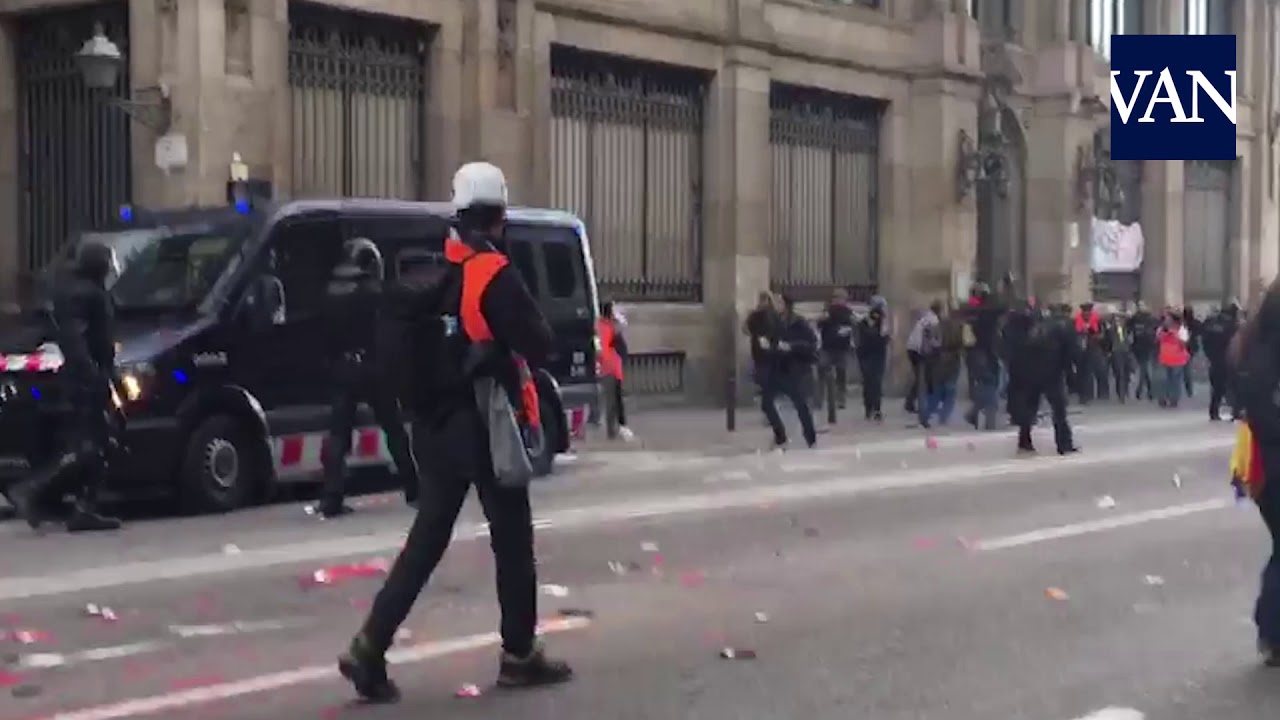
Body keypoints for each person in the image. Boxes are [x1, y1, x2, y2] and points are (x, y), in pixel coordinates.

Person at [338, 162, 572, 703]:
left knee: (426, 540)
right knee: (513, 537)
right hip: (483, 425)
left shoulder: (432, 268)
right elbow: (539, 344)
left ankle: (369, 645)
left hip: (433, 425)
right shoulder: (492, 273)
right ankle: (518, 654)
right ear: (500, 217)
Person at [8, 242, 123, 532]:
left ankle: (81, 506)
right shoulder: (90, 296)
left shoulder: (76, 293)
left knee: (97, 444)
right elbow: (79, 342)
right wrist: (95, 375)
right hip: (86, 382)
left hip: (84, 379)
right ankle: (35, 491)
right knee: (92, 445)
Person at [317, 238, 421, 519]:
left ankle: (332, 497)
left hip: (343, 367)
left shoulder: (331, 292)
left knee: (338, 434)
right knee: (394, 429)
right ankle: (413, 488)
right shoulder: (374, 293)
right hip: (372, 369)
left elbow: (324, 338)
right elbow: (386, 334)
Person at [1228, 279, 1280, 664]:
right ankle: (1272, 633)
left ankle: (1271, 633)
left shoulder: (1251, 340)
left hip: (1261, 463)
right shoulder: (1269, 349)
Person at [1007, 300, 1078, 455]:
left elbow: (1015, 353)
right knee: (1059, 409)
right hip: (1052, 373)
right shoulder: (1061, 327)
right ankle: (1063, 443)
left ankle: (1024, 440)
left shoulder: (1028, 328)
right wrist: (1070, 375)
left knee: (1030, 407)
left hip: (1030, 374)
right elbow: (1069, 353)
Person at [760, 294, 818, 450]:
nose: (776, 304)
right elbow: (774, 342)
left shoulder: (799, 323)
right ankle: (780, 436)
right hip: (778, 368)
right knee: (766, 404)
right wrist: (768, 346)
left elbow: (811, 344)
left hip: (795, 370)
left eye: (779, 302)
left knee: (801, 406)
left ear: (786, 304)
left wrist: (791, 346)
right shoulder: (775, 322)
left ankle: (811, 438)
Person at [963, 281, 1005, 431]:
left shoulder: (970, 310)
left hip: (975, 353)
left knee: (985, 385)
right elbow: (1003, 307)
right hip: (985, 353)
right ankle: (988, 421)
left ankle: (975, 414)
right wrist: (1005, 286)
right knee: (990, 385)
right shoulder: (987, 312)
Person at [922, 304, 965, 426]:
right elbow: (963, 344)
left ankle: (927, 415)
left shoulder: (936, 327)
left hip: (938, 361)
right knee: (950, 391)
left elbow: (929, 346)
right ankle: (944, 416)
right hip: (953, 361)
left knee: (937, 390)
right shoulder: (959, 327)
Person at [597, 300, 633, 441]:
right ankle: (615, 429)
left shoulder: (604, 325)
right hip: (610, 367)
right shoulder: (607, 327)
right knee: (614, 399)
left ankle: (613, 429)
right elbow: (622, 325)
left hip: (611, 366)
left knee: (613, 399)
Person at [1200, 301, 1241, 420]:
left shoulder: (1211, 323)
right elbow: (1236, 343)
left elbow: (1204, 340)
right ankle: (1236, 412)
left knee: (1217, 388)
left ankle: (1214, 411)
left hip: (1215, 359)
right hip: (1229, 359)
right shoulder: (1233, 325)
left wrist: (1210, 356)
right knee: (1233, 386)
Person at [817, 288, 855, 410]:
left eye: (841, 298)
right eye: (836, 298)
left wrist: (848, 330)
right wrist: (823, 318)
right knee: (822, 371)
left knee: (841, 374)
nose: (838, 301)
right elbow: (819, 324)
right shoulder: (827, 310)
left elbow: (853, 325)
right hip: (827, 347)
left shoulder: (848, 312)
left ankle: (840, 399)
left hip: (842, 348)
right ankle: (820, 398)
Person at [855, 295, 890, 421]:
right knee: (872, 382)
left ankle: (873, 409)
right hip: (869, 354)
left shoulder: (881, 320)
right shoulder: (868, 320)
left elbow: (885, 337)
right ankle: (872, 409)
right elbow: (879, 337)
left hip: (874, 354)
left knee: (872, 382)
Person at [905, 301, 941, 415]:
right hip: (920, 350)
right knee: (925, 378)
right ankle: (927, 404)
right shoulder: (934, 320)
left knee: (920, 377)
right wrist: (937, 347)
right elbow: (930, 337)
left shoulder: (925, 316)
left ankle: (910, 402)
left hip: (911, 348)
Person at [1156, 309, 1190, 408]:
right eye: (1166, 319)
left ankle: (1173, 399)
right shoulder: (1161, 329)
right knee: (1163, 379)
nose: (1166, 321)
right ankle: (1163, 398)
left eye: (1168, 319)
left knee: (1175, 380)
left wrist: (1175, 335)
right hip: (1164, 358)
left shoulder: (1181, 329)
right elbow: (1157, 339)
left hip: (1177, 359)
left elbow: (1184, 343)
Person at [743, 292, 777, 392]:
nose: (762, 302)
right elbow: (745, 329)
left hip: (767, 347)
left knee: (765, 369)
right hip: (759, 347)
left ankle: (767, 388)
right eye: (761, 299)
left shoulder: (772, 314)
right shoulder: (756, 314)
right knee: (761, 369)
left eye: (764, 300)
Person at [1073, 302, 1106, 402]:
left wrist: (1094, 336)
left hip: (1094, 348)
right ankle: (1085, 395)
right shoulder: (1076, 321)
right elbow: (1074, 334)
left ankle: (1103, 393)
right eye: (1084, 311)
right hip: (1081, 350)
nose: (1086, 313)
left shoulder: (1098, 320)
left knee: (1100, 370)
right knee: (1084, 373)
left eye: (1088, 311)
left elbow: (1102, 335)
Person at [1127, 301, 1158, 401]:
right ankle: (1150, 390)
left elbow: (1156, 331)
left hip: (1147, 346)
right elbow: (1129, 330)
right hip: (1138, 346)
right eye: (1139, 306)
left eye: (1142, 305)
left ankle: (1140, 390)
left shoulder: (1151, 319)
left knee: (1144, 368)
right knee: (1144, 369)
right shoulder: (1134, 318)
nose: (1141, 307)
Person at [1102, 312, 1132, 404]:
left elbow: (1130, 318)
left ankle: (1125, 390)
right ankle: (1121, 394)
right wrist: (1108, 352)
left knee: (1127, 373)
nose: (1118, 322)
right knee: (1120, 373)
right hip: (1116, 352)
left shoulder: (1126, 329)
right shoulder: (1110, 330)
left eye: (1120, 320)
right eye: (1116, 320)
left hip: (1126, 352)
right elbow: (1107, 342)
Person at [1182, 306, 1201, 397]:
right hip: (1191, 349)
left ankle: (1186, 388)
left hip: (1181, 348)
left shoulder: (1181, 323)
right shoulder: (1196, 323)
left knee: (1183, 370)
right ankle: (1189, 389)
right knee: (1187, 369)